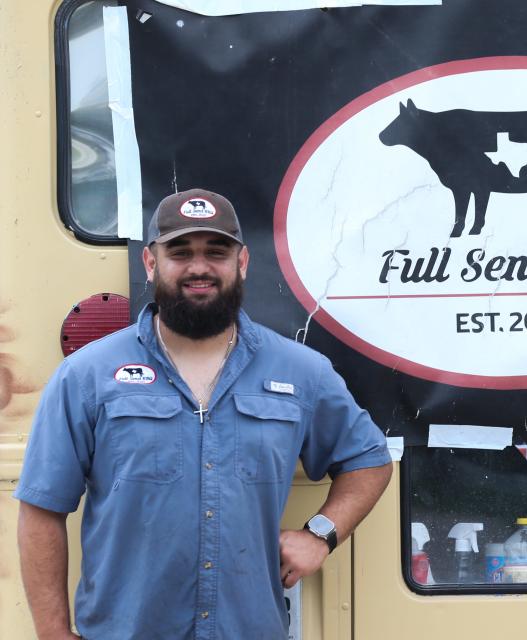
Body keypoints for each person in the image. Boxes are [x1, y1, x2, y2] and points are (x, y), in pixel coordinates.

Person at [14, 189, 393, 639]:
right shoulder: (88, 376)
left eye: (216, 252)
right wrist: (53, 633)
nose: (199, 267)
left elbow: (369, 460)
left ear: (243, 263)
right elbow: (41, 508)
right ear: (151, 263)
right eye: (180, 252)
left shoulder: (301, 372)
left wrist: (320, 534)